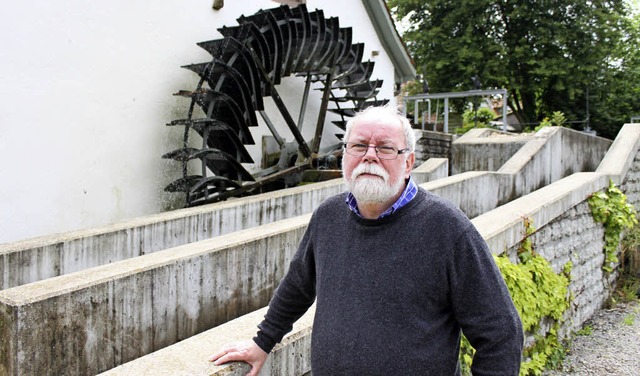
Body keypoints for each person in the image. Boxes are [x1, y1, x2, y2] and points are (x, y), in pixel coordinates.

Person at [210, 105, 524, 375]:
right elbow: (297, 287)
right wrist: (261, 342)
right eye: (358, 145)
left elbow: (501, 333)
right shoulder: (328, 217)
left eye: (385, 148)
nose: (369, 156)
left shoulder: (448, 229)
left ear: (409, 162)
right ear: (345, 154)